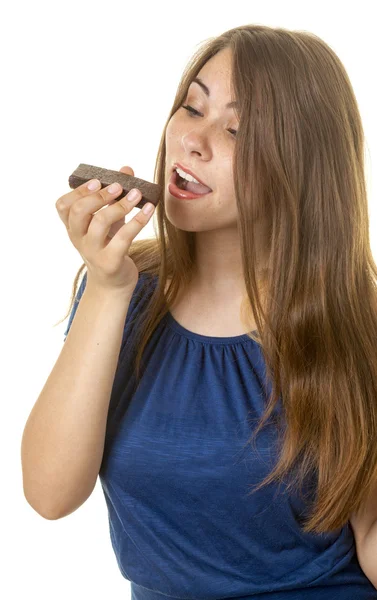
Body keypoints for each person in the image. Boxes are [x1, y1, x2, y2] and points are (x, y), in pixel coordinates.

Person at [21, 24, 377, 599]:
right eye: (192, 106)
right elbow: (49, 493)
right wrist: (109, 291)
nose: (193, 141)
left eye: (236, 130)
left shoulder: (352, 319)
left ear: (303, 167)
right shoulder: (123, 289)